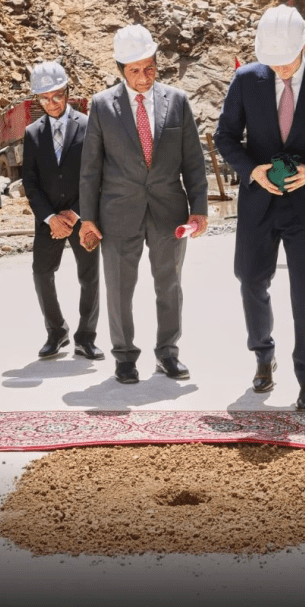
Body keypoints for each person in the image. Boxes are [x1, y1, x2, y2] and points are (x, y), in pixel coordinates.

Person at [214, 5, 305, 411]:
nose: (279, 70)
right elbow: (224, 137)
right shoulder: (247, 80)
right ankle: (263, 356)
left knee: (304, 290)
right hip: (258, 202)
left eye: (286, 62)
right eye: (272, 63)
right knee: (250, 279)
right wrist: (252, 170)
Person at [79, 24, 209, 384]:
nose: (143, 77)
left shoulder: (177, 101)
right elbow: (90, 169)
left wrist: (199, 209)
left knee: (169, 285)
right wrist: (87, 218)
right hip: (117, 213)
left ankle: (168, 353)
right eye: (134, 70)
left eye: (149, 67)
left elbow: (193, 161)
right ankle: (124, 356)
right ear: (121, 70)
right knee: (120, 287)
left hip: (169, 211)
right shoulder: (102, 106)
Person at [21, 61, 102, 360]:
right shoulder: (31, 133)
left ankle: (86, 336)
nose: (52, 104)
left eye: (57, 96)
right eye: (44, 98)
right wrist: (50, 217)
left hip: (85, 218)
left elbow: (97, 174)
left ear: (67, 92)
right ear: (36, 99)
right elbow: (29, 181)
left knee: (89, 276)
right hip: (48, 221)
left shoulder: (89, 125)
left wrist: (75, 213)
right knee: (42, 273)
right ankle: (56, 331)